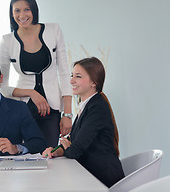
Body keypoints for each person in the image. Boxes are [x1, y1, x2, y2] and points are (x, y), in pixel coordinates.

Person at [0, 0, 72, 148]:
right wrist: (31, 93)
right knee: (25, 157)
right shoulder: (7, 41)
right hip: (22, 110)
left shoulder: (53, 30)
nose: (22, 15)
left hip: (51, 110)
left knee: (49, 156)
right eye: (17, 10)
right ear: (11, 13)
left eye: (26, 9)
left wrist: (67, 114)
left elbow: (65, 73)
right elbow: (2, 87)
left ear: (34, 10)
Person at [42, 57, 125, 188]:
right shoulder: (86, 106)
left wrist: (69, 147)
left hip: (102, 180)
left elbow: (75, 150)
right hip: (90, 176)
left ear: (94, 82)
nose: (71, 81)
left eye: (78, 77)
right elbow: (72, 140)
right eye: (72, 75)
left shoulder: (97, 108)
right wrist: (57, 151)